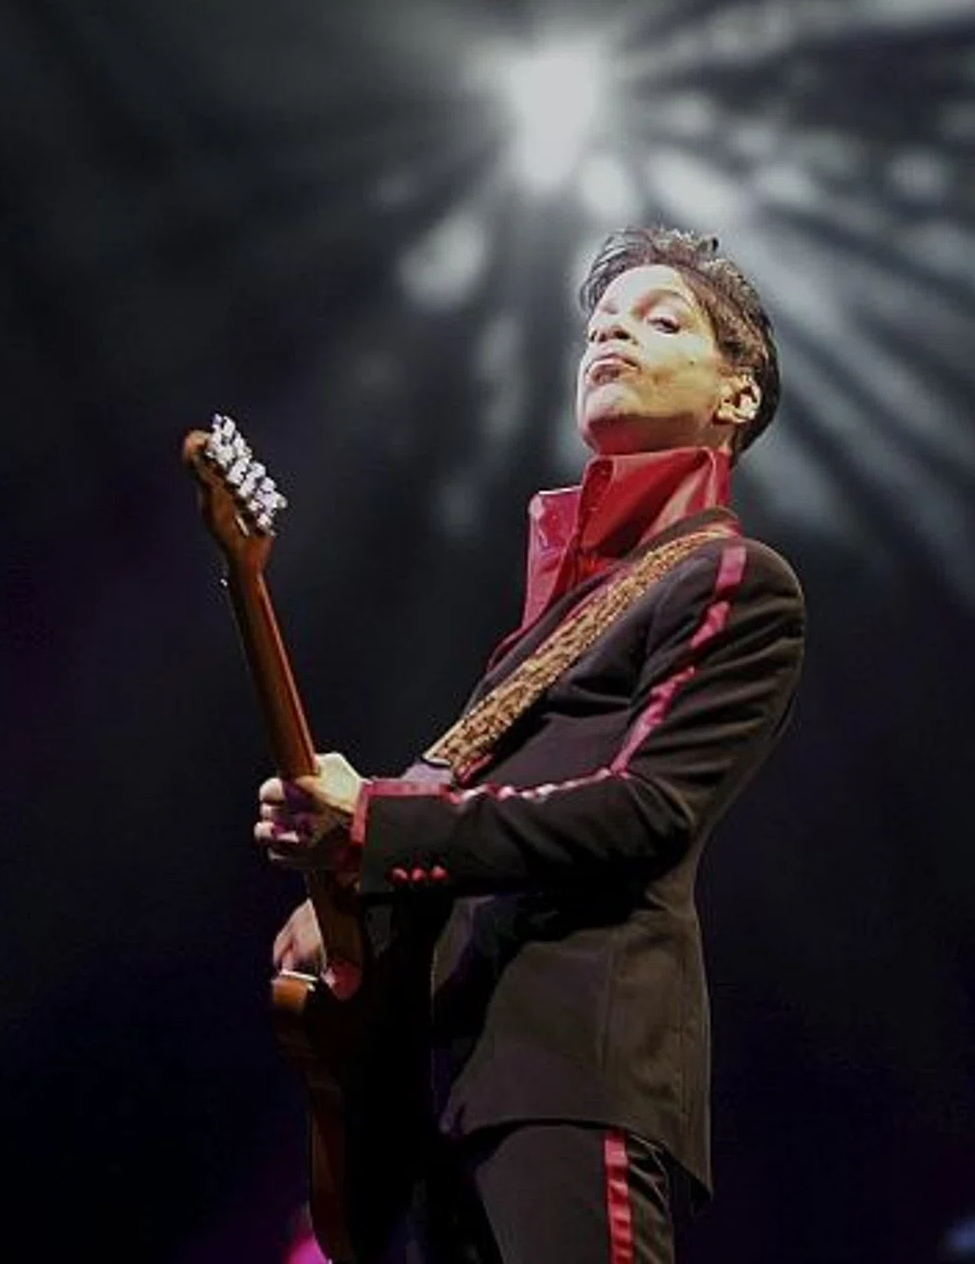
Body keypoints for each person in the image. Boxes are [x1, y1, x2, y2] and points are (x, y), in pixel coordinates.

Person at [253, 226, 806, 1263]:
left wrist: (372, 823)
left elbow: (643, 808)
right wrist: (351, 879)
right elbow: (462, 819)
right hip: (441, 1088)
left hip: (573, 1062)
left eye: (660, 319)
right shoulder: (549, 622)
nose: (613, 336)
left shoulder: (734, 577)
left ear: (736, 396)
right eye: (601, 322)